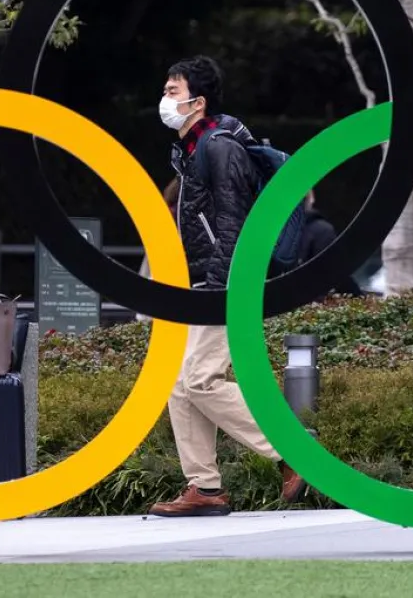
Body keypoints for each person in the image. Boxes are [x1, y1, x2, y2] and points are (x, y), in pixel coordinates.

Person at [148, 55, 306, 516]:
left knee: (200, 379)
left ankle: (290, 449)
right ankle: (205, 488)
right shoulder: (191, 150)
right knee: (181, 385)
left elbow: (234, 226)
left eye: (173, 92)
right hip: (204, 282)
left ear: (198, 102)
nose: (164, 100)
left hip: (226, 282)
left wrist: (220, 286)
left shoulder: (220, 147)